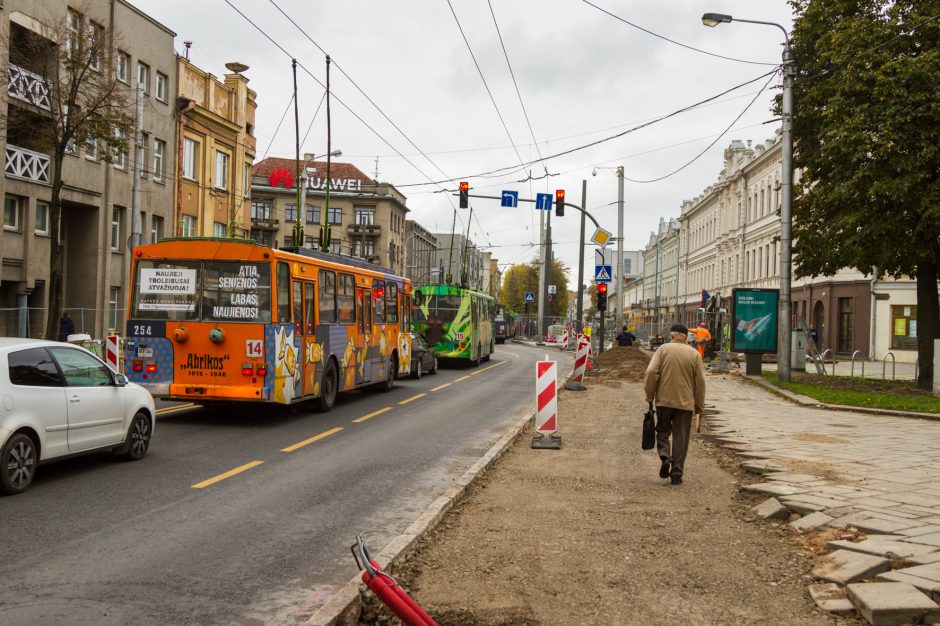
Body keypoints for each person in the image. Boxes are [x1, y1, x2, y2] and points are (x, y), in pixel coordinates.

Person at [643, 323, 706, 485]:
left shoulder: (663, 350)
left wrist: (650, 396)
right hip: (685, 404)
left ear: (671, 336)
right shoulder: (694, 354)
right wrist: (699, 405)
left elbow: (651, 372)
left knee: (663, 431)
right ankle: (676, 473)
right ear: (686, 337)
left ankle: (665, 456)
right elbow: (700, 382)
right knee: (681, 437)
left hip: (664, 401)